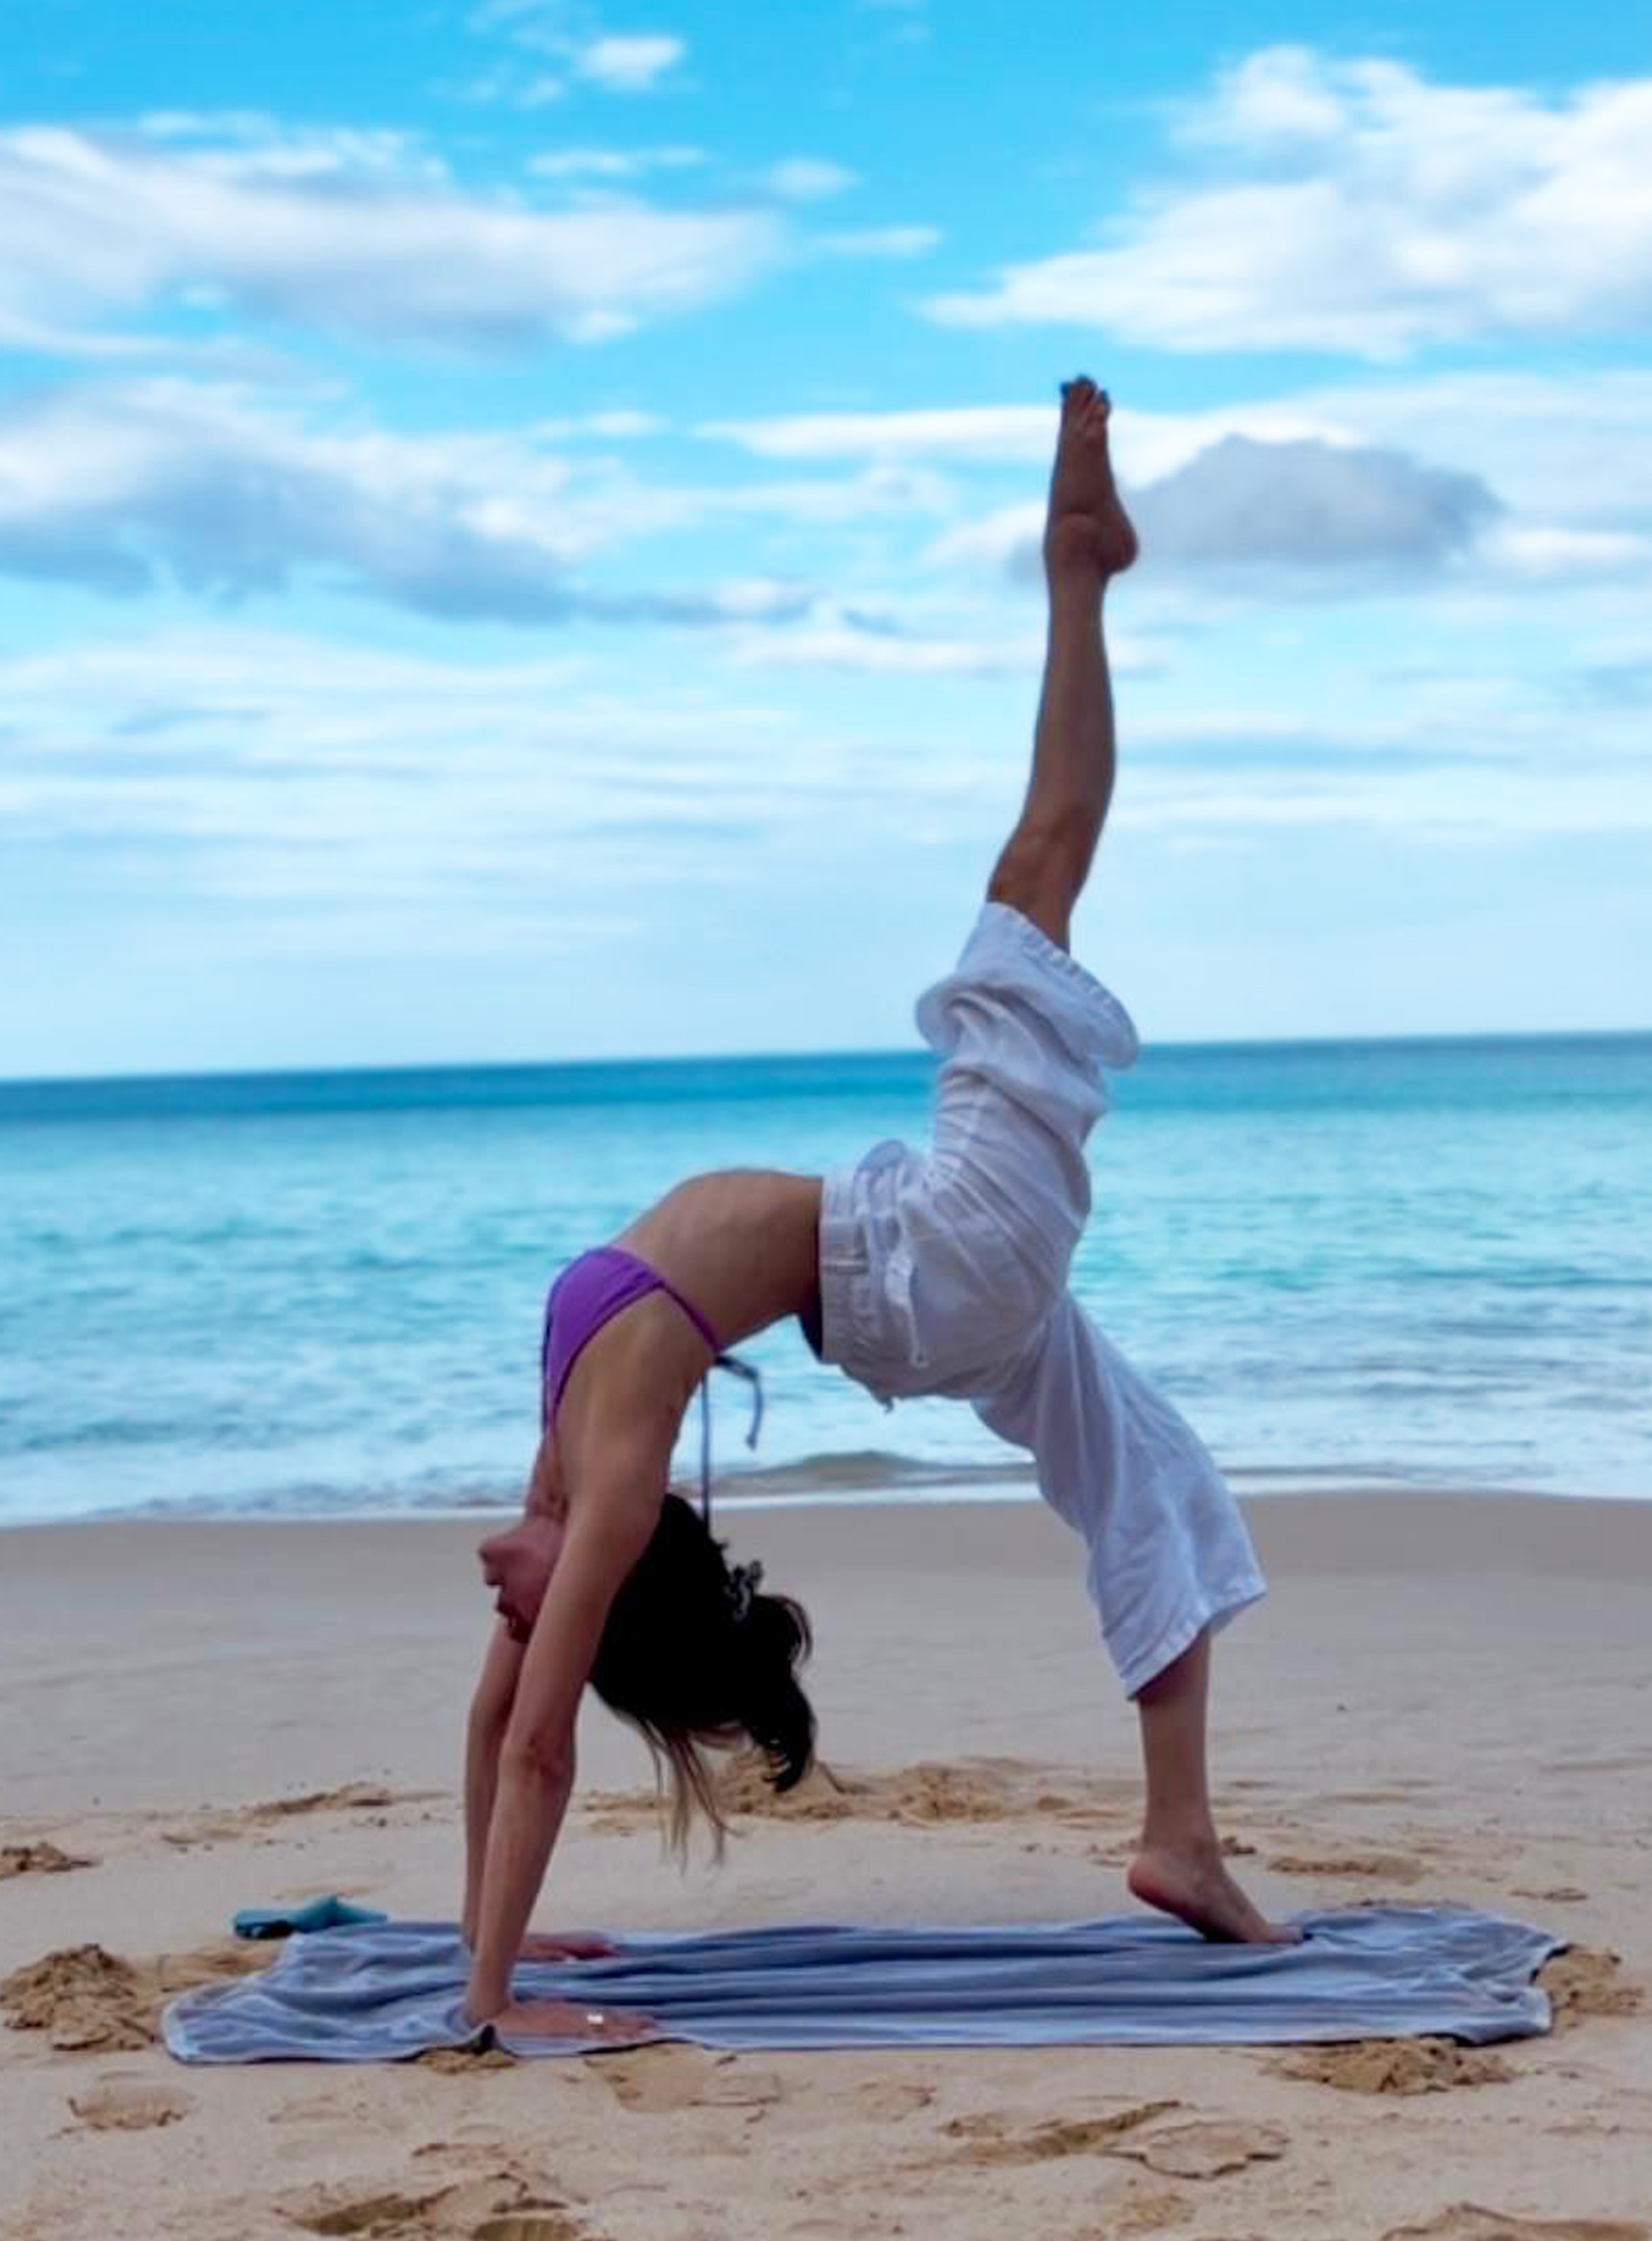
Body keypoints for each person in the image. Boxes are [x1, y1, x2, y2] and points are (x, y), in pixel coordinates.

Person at [463, 378, 1296, 2040]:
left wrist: (507, 1929)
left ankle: (1182, 1838)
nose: (498, 1595)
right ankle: (1077, 570)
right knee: (1037, 871)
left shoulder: (566, 1458)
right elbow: (544, 1740)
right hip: (938, 1253)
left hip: (925, 1289)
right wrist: (492, 2002)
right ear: (601, 1585)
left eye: (519, 1606)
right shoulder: (607, 1485)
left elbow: (496, 1730)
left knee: (1155, 1479)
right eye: (537, 1609)